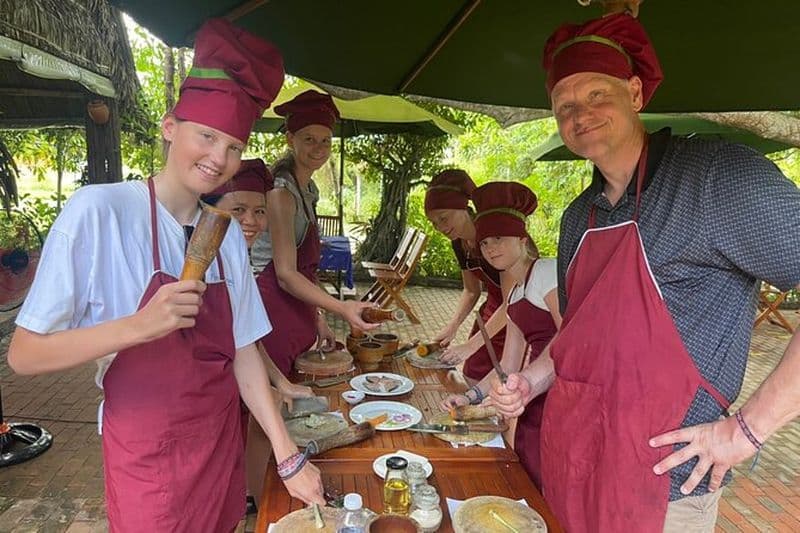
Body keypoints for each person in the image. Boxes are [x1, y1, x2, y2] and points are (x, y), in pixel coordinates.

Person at [7, 19, 324, 531]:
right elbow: (25, 354)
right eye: (207, 136)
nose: (218, 158)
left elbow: (243, 350)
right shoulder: (99, 212)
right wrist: (138, 326)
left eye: (233, 146)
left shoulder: (223, 231)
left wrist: (286, 455)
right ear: (170, 126)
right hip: (147, 456)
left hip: (219, 445)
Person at [490, 12, 800, 533]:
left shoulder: (715, 179)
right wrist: (530, 382)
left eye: (596, 94)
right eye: (565, 105)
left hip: (661, 486)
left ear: (634, 92)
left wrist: (747, 430)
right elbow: (577, 337)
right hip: (573, 466)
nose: (580, 114)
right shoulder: (578, 218)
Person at [203, 159, 315, 511]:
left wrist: (280, 381)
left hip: (226, 389)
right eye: (239, 209)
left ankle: (249, 499)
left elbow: (246, 337)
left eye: (259, 211)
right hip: (200, 398)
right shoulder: (200, 261)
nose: (251, 220)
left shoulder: (238, 259)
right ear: (211, 208)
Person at [441, 181, 560, 487]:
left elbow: (571, 335)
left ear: (522, 239)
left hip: (559, 397)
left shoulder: (547, 272)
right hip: (528, 398)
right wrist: (469, 397)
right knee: (526, 469)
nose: (490, 248)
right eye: (484, 242)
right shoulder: (516, 294)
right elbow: (506, 365)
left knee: (550, 476)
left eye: (499, 238)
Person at [250, 90, 376, 376]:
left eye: (325, 140)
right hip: (270, 310)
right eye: (309, 139)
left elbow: (305, 270)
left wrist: (318, 316)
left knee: (293, 386)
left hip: (294, 307)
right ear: (290, 139)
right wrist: (342, 308)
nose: (319, 148)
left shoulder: (308, 190)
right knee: (271, 390)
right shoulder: (281, 193)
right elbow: (285, 274)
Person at [424, 169, 508, 384]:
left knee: (506, 379)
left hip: (519, 314)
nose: (440, 227)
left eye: (444, 218)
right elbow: (471, 290)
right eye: (434, 223)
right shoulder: (459, 243)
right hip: (492, 309)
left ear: (463, 206)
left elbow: (514, 299)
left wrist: (470, 345)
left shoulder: (496, 235)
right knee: (472, 373)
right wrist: (452, 327)